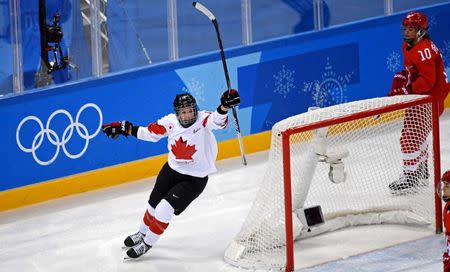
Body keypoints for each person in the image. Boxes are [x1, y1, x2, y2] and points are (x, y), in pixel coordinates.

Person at [102, 89, 240, 259]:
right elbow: (150, 133)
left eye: (190, 110)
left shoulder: (203, 119)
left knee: (163, 210)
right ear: (177, 113)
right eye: (184, 112)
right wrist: (127, 129)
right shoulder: (170, 122)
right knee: (153, 204)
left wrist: (224, 106)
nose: (188, 115)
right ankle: (142, 233)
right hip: (170, 170)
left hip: (194, 180)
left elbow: (218, 121)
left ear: (195, 109)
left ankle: (147, 243)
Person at [387, 11, 449, 195]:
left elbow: (428, 81)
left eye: (411, 29)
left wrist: (408, 89)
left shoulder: (424, 50)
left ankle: (411, 175)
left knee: (409, 137)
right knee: (417, 135)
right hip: (425, 99)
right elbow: (416, 72)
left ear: (421, 31)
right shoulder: (410, 46)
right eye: (405, 28)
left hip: (429, 101)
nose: (406, 32)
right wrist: (404, 77)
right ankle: (421, 169)